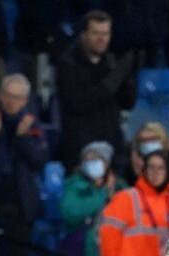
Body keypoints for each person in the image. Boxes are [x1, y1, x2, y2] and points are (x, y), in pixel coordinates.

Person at [0, 73, 50, 252]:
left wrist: (23, 138)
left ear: (25, 101)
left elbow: (39, 160)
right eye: (7, 95)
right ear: (0, 95)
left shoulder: (32, 126)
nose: (10, 101)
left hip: (21, 205)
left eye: (16, 98)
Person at [56, 10, 136, 172]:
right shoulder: (68, 64)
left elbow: (128, 102)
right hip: (80, 150)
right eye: (96, 33)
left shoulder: (112, 63)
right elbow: (79, 103)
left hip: (112, 146)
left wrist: (128, 77)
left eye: (105, 34)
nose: (102, 39)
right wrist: (115, 79)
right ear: (84, 35)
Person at [59, 140, 125, 256]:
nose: (92, 162)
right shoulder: (74, 185)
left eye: (97, 158)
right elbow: (70, 212)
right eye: (88, 158)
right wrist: (103, 195)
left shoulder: (120, 188)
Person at [129, 121, 169, 203]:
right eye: (143, 140)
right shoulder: (133, 166)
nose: (148, 143)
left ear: (163, 140)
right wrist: (139, 173)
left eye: (152, 139)